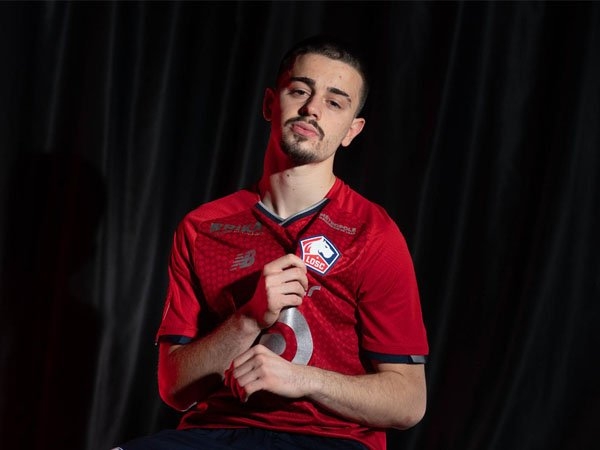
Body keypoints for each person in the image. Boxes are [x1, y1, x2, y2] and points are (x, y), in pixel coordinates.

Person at [113, 34, 429, 450]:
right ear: (269, 103)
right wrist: (249, 318)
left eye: (334, 102)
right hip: (215, 435)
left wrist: (301, 379)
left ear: (352, 131)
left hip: (327, 440)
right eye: (299, 91)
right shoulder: (203, 227)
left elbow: (409, 401)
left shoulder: (373, 233)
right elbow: (176, 389)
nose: (312, 109)